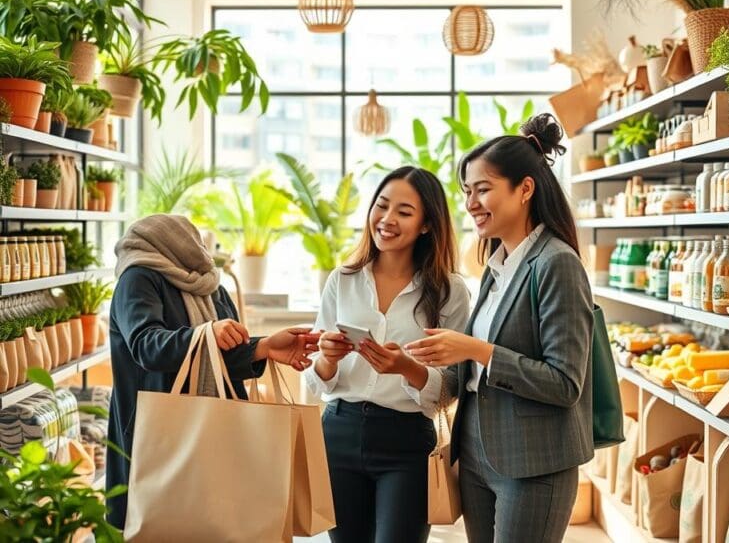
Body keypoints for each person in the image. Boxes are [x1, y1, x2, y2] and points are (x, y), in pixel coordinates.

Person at [406, 114, 594, 543]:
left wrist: (476, 349)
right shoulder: (496, 267)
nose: (471, 202)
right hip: (477, 454)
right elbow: (469, 377)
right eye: (467, 191)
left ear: (525, 189)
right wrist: (405, 366)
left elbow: (565, 383)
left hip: (533, 462)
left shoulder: (556, 263)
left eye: (483, 189)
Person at [106, 214, 319, 529]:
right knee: (157, 527)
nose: (199, 251)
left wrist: (266, 347)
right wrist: (203, 334)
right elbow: (145, 345)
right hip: (158, 436)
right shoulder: (138, 278)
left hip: (209, 431)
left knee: (216, 523)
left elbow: (225, 354)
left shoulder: (209, 284)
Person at [304, 167, 470, 543]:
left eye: (404, 212)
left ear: (427, 225)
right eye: (381, 206)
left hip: (407, 441)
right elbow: (316, 379)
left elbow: (454, 384)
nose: (387, 219)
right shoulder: (342, 279)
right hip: (339, 433)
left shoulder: (449, 292)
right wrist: (328, 358)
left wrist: (408, 369)